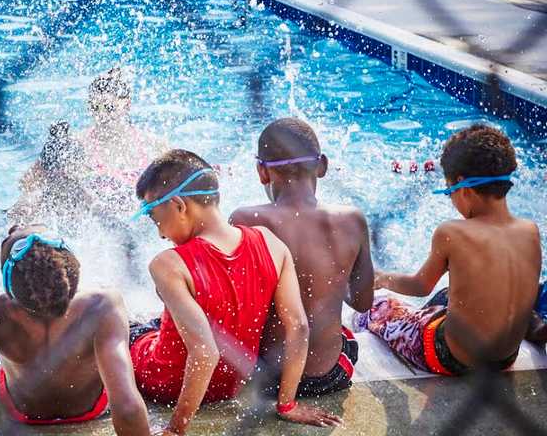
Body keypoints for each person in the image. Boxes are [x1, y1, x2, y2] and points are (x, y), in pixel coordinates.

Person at [129, 149, 342, 435]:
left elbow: (204, 352)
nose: (160, 234)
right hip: (233, 383)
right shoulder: (270, 243)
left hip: (166, 382)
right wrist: (287, 405)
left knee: (127, 326)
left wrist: (176, 429)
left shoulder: (168, 264)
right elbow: (299, 327)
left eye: (155, 218)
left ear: (179, 206)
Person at [356, 124, 542, 375]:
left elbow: (420, 286)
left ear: (462, 188)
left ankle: (396, 322)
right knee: (447, 293)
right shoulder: (530, 231)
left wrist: (382, 278)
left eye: (448, 192)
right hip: (505, 357)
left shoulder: (452, 233)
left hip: (451, 357)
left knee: (375, 309)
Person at [0, 224, 150, 436]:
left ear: (9, 287)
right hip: (92, 408)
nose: (19, 226)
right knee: (127, 335)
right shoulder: (102, 305)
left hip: (19, 410)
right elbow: (128, 409)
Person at [230, 118, 374, 397]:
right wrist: (333, 277)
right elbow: (363, 302)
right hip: (327, 376)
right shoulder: (352, 221)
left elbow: (236, 303)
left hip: (265, 376)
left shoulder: (246, 219)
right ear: (322, 166)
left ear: (262, 171)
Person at [8, 67, 169, 224]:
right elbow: (28, 182)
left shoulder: (153, 145)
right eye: (95, 108)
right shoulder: (76, 143)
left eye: (109, 108)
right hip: (93, 221)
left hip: (134, 221)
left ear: (126, 105)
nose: (101, 115)